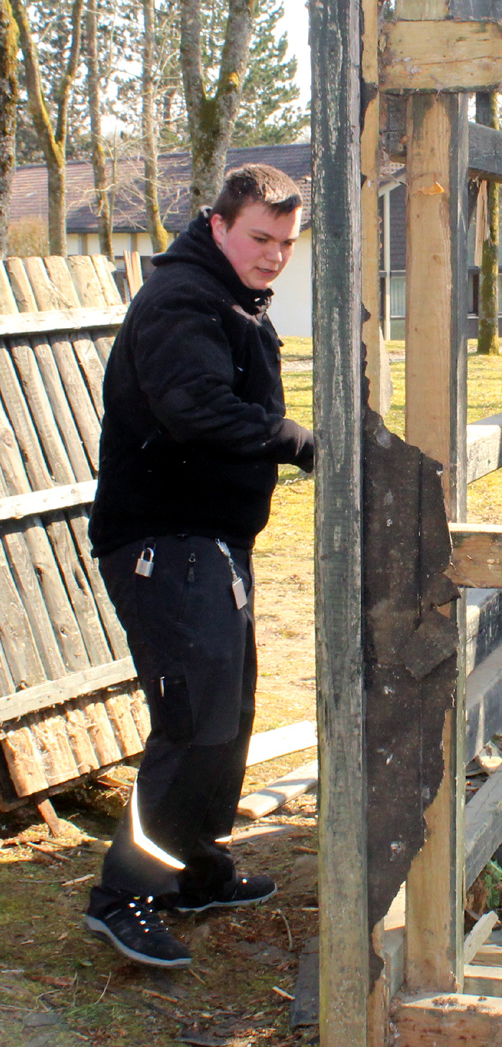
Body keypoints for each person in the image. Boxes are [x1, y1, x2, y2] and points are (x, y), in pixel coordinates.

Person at [84, 165, 315, 969]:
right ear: (217, 225)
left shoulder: (232, 300)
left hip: (209, 543)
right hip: (162, 543)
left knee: (231, 715)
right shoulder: (183, 300)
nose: (275, 255)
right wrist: (299, 442)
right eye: (260, 238)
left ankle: (195, 871)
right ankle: (124, 895)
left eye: (287, 242)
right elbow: (196, 410)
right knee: (194, 723)